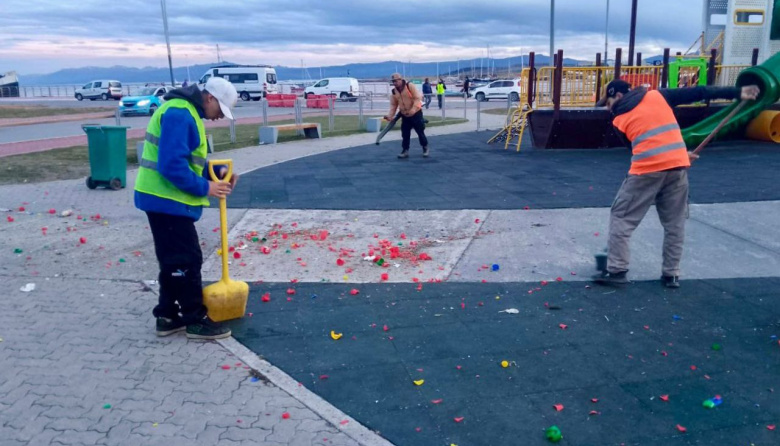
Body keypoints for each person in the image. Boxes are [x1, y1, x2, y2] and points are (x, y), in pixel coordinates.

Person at [592, 79, 760, 288]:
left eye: (607, 103)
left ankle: (616, 271)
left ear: (617, 96)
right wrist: (738, 92)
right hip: (677, 167)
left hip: (646, 172)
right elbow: (700, 92)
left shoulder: (618, 118)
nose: (609, 108)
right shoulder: (658, 95)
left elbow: (637, 148)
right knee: (674, 223)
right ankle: (671, 274)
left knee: (621, 218)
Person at [134, 77, 240, 339]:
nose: (218, 118)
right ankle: (194, 319)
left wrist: (218, 175)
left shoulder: (186, 111)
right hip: (165, 200)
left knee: (173, 261)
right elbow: (171, 165)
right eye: (220, 110)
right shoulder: (181, 113)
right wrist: (207, 188)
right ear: (210, 99)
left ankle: (167, 315)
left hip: (165, 200)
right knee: (186, 260)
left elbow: (190, 160)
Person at [385, 72, 429, 159]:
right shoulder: (394, 91)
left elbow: (417, 98)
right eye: (393, 81)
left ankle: (425, 147)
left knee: (420, 132)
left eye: (396, 81)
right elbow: (394, 105)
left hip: (416, 113)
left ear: (400, 80)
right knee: (405, 133)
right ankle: (405, 150)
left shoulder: (410, 86)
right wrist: (390, 116)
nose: (394, 83)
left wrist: (413, 110)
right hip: (405, 115)